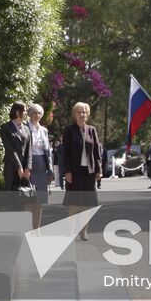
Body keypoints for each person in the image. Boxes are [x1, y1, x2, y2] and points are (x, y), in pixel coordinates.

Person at [61, 101, 102, 239]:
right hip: (74, 172)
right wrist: (67, 171)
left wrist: (99, 170)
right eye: (79, 112)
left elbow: (97, 152)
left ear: (88, 114)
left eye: (84, 112)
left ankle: (83, 231)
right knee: (74, 204)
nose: (82, 114)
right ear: (75, 114)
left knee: (87, 205)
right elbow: (65, 153)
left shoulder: (92, 130)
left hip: (89, 172)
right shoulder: (68, 131)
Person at [28, 103, 53, 226]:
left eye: (39, 113)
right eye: (34, 113)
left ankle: (36, 228)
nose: (36, 115)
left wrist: (51, 170)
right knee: (30, 199)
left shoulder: (44, 130)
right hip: (30, 164)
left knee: (40, 200)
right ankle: (27, 227)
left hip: (42, 165)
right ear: (30, 114)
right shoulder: (25, 128)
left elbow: (48, 150)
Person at [0, 101, 33, 192]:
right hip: (11, 167)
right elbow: (10, 150)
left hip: (24, 168)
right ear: (18, 112)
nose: (26, 113)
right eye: (25, 111)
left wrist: (27, 167)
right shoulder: (5, 128)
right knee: (11, 194)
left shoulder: (26, 128)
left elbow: (29, 150)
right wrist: (19, 167)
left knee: (25, 196)